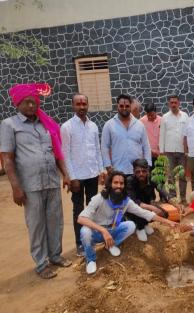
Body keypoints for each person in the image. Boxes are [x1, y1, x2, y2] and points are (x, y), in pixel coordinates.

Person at [1, 83, 72, 279]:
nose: (32, 105)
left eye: (34, 102)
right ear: (18, 103)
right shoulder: (9, 125)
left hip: (51, 180)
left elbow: (57, 153)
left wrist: (65, 174)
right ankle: (41, 264)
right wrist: (15, 187)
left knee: (55, 221)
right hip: (30, 185)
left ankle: (55, 256)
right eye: (27, 102)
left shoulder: (45, 124)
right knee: (36, 225)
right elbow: (7, 158)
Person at [78, 170, 177, 275]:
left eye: (121, 183)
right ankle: (91, 259)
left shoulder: (126, 201)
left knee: (131, 225)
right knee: (85, 231)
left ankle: (110, 246)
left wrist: (168, 222)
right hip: (96, 232)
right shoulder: (100, 198)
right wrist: (103, 230)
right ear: (110, 184)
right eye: (115, 183)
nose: (119, 186)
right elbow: (81, 218)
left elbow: (144, 213)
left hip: (112, 231)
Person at [61, 93, 106, 256]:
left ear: (88, 105)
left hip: (93, 174)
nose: (81, 106)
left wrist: (101, 170)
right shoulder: (67, 127)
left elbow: (97, 150)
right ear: (73, 106)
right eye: (78, 104)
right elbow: (65, 153)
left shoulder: (93, 126)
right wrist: (72, 177)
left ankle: (92, 237)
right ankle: (80, 243)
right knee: (78, 210)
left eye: (84, 103)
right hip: (77, 177)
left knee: (93, 207)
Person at [101, 94, 151, 175]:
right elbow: (104, 147)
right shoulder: (109, 125)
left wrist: (148, 165)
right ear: (117, 106)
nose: (124, 108)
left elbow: (146, 146)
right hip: (118, 171)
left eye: (127, 106)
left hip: (137, 171)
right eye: (121, 106)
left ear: (130, 106)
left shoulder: (139, 125)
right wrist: (108, 166)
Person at [126, 158, 170, 242]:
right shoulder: (129, 181)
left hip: (146, 205)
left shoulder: (152, 178)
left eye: (143, 171)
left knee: (164, 214)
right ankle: (140, 227)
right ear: (133, 171)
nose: (141, 174)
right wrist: (152, 208)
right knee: (139, 210)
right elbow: (133, 201)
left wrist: (172, 200)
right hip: (133, 209)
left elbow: (161, 189)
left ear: (148, 171)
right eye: (138, 172)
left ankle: (145, 223)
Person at [159, 95, 188, 203]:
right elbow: (161, 134)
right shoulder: (165, 117)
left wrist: (187, 150)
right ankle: (173, 197)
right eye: (171, 103)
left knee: (182, 176)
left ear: (179, 103)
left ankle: (183, 197)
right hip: (169, 151)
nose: (173, 104)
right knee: (170, 176)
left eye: (175, 102)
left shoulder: (185, 116)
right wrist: (162, 151)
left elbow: (187, 134)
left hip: (182, 151)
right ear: (169, 104)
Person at [140, 103, 161, 169]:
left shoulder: (162, 120)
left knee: (160, 176)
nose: (150, 117)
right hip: (147, 154)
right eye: (148, 115)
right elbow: (140, 139)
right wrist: (150, 150)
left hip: (160, 154)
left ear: (155, 112)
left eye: (152, 115)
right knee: (148, 174)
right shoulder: (141, 122)